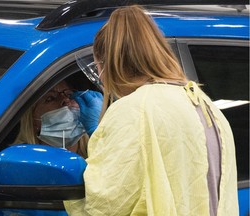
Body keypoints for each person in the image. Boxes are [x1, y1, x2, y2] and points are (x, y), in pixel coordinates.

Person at [64, 5, 238, 216]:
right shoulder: (204, 103)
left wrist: (66, 180)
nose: (100, 78)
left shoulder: (134, 110)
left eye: (98, 67)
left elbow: (105, 204)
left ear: (109, 63)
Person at [14, 80, 89, 158]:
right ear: (32, 120)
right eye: (50, 98)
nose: (66, 100)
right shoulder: (22, 161)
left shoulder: (96, 151)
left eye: (69, 95)